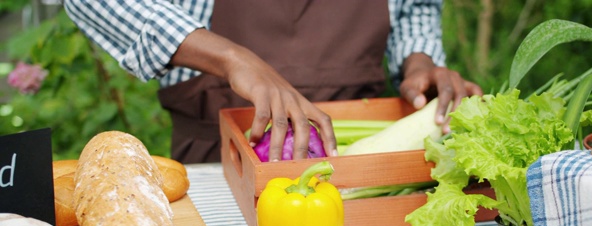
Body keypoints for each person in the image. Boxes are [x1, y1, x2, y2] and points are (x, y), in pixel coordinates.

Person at [63, 0, 482, 164]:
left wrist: (419, 61)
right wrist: (231, 57)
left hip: (358, 168)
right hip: (219, 167)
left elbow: (413, 10)